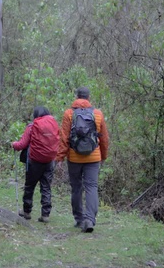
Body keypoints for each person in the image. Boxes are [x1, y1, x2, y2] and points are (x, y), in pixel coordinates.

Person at [56, 87, 109, 233]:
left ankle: (79, 219)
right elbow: (104, 138)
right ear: (88, 98)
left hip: (74, 158)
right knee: (91, 187)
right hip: (93, 157)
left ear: (77, 97)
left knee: (76, 188)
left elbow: (64, 138)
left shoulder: (69, 114)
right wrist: (103, 156)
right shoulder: (98, 114)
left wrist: (60, 158)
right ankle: (90, 219)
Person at [12, 106, 59, 223]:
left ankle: (26, 212)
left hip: (34, 162)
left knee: (29, 186)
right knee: (46, 187)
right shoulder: (53, 125)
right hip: (49, 161)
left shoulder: (32, 127)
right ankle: (45, 214)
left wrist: (14, 144)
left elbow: (22, 145)